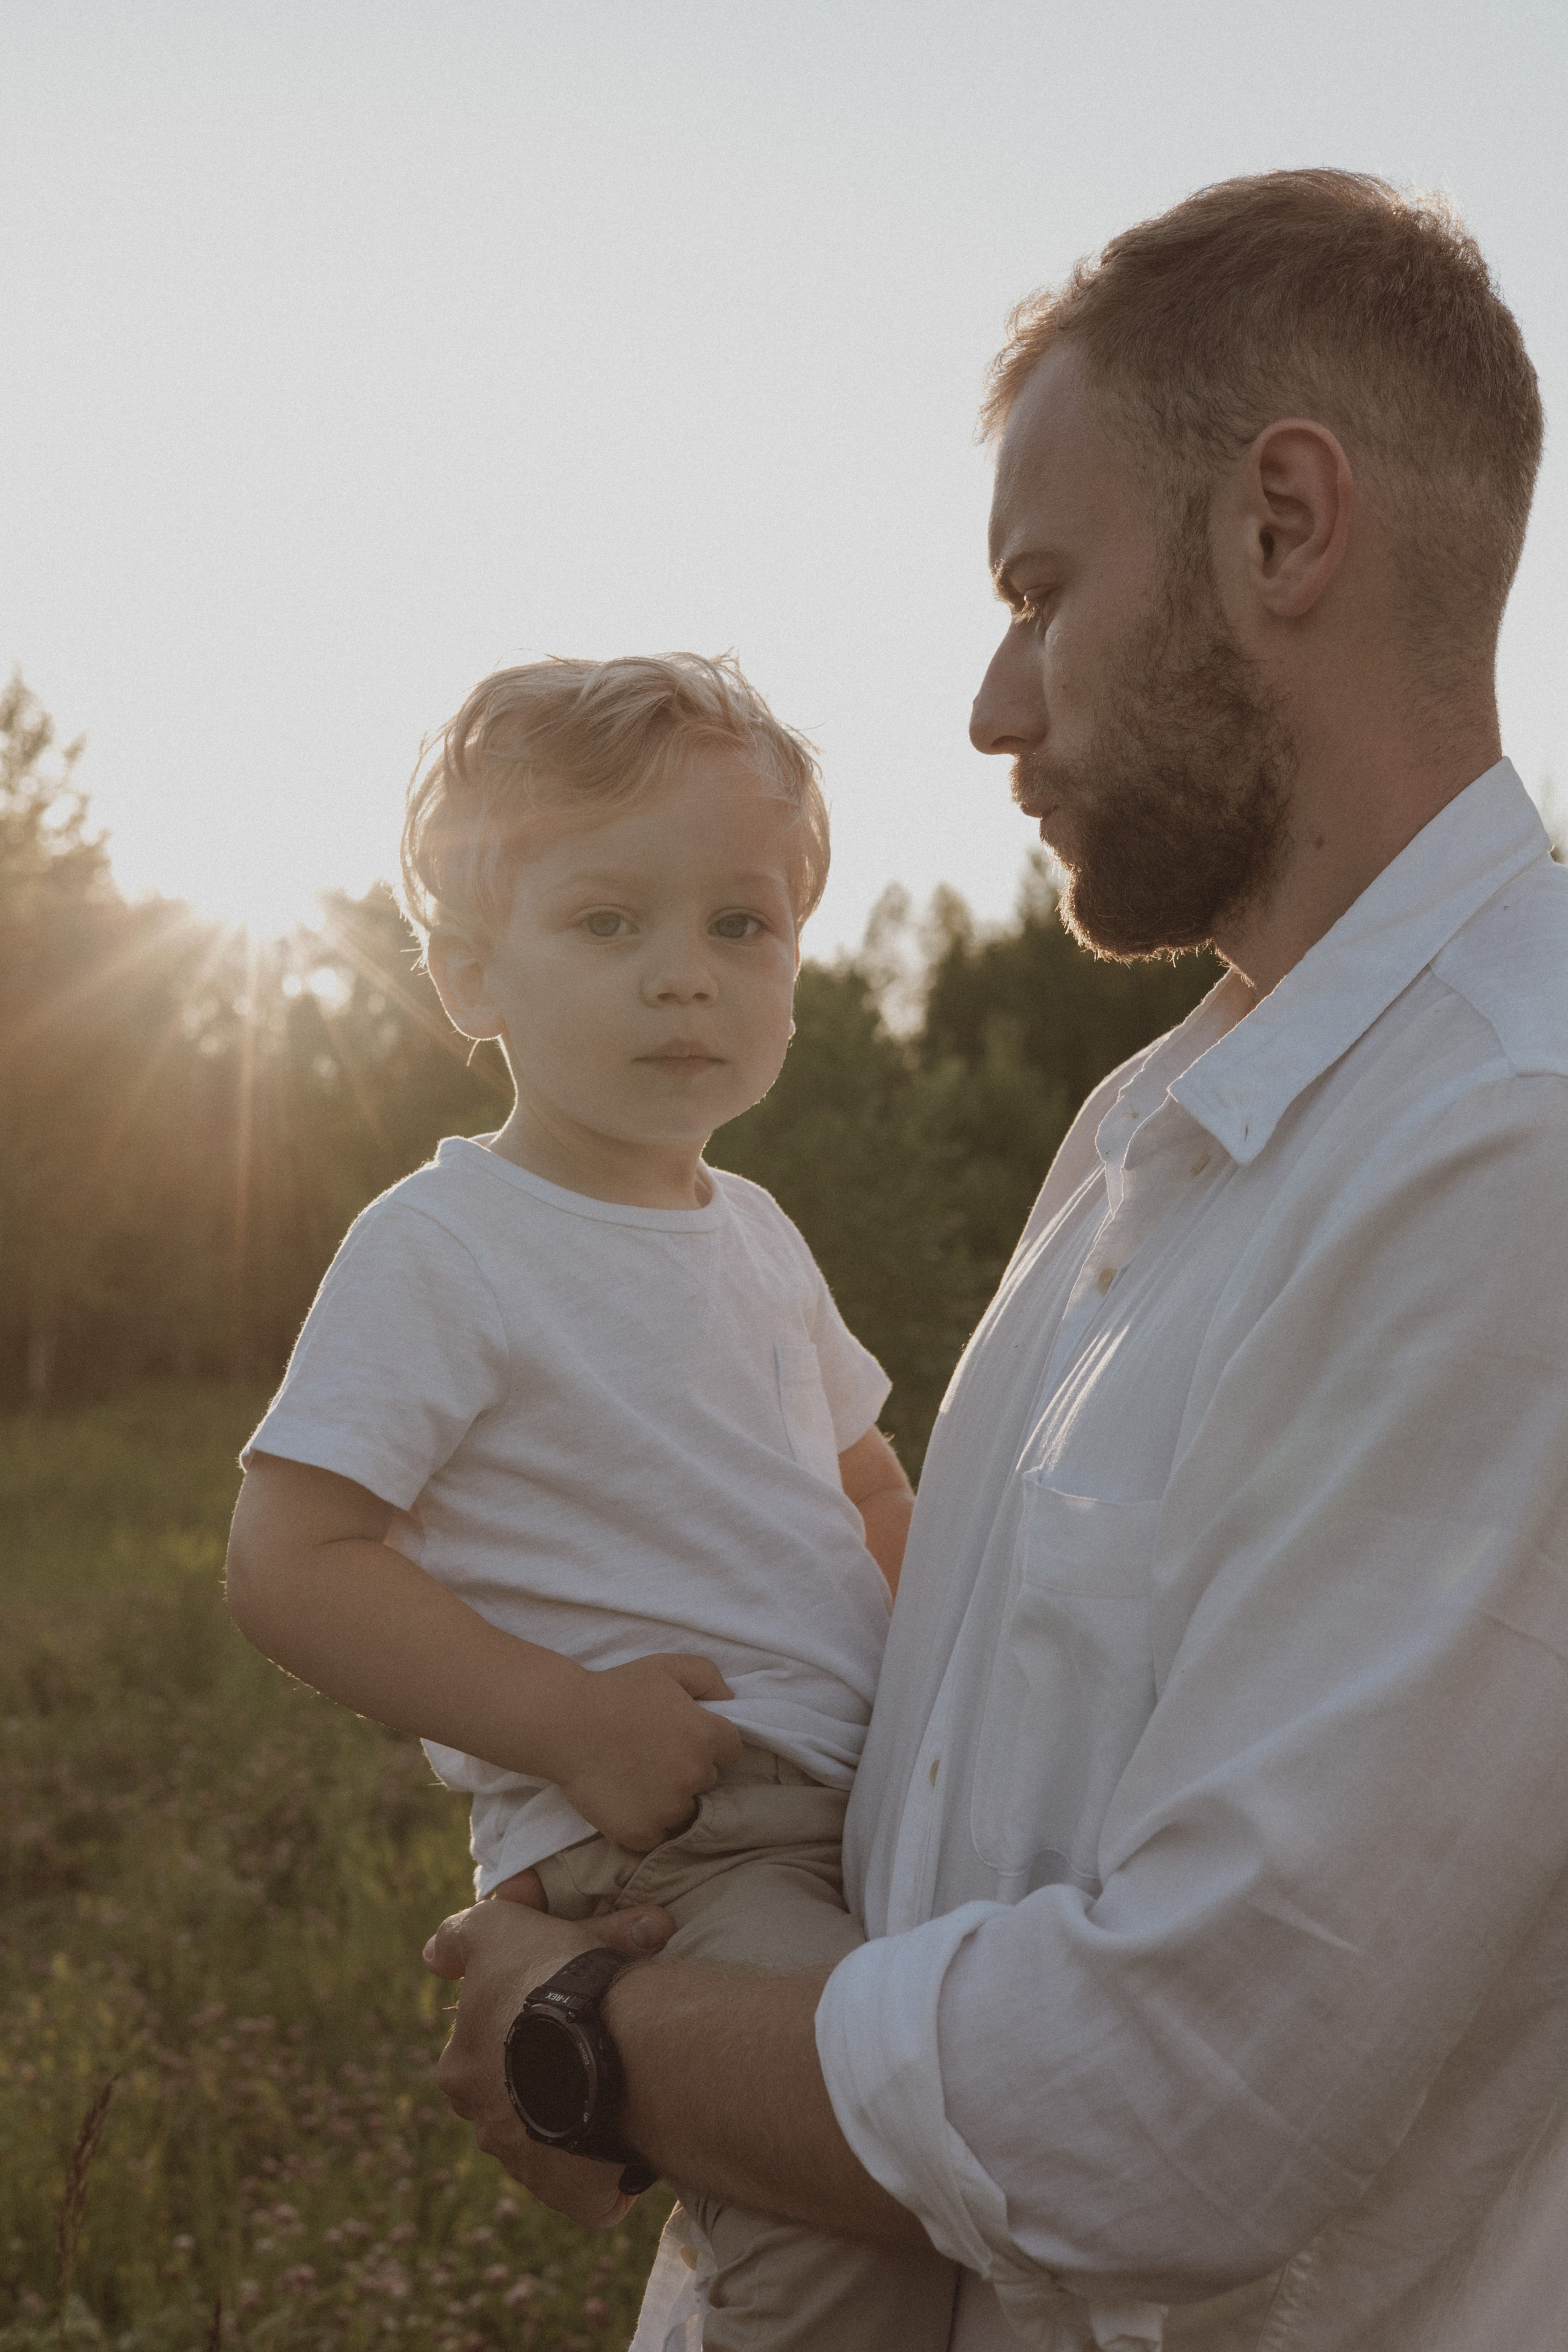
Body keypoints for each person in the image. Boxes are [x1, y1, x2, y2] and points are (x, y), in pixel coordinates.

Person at [423, 170, 1568, 2352]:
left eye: (1042, 592)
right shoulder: (1153, 1122)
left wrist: (603, 2041)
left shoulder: (1517, 1147)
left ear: (1283, 528)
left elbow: (1192, 2100)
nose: (990, 704)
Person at [223, 652, 959, 2350]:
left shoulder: (757, 1233)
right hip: (678, 1831)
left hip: (858, 1809)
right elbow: (287, 1556)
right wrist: (571, 1726)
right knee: (850, 2211)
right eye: (609, 925)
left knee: (988, 2170)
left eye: (738, 928)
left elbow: (864, 1487)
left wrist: (974, 1682)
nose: (683, 982)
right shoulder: (450, 1242)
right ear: (469, 974)